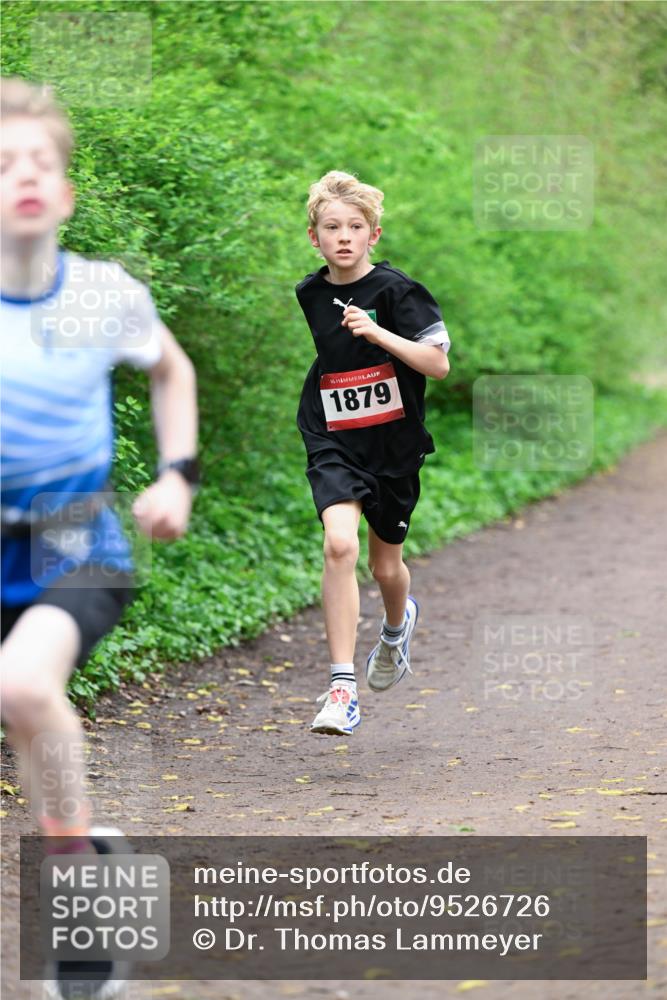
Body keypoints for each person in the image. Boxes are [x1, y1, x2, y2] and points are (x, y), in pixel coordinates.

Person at [0, 77, 199, 998]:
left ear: (67, 193)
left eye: (39, 162)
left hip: (77, 545)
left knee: (22, 686)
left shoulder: (103, 295)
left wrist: (175, 474)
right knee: (29, 723)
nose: (24, 176)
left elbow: (171, 370)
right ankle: (91, 853)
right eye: (2, 165)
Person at [295, 170, 450, 736]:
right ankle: (341, 688)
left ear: (373, 235)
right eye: (331, 227)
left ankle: (394, 628)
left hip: (394, 445)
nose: (343, 236)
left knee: (387, 567)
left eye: (354, 227)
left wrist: (378, 334)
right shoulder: (311, 292)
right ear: (314, 237)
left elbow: (437, 364)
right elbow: (334, 358)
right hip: (333, 434)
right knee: (339, 544)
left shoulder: (398, 292)